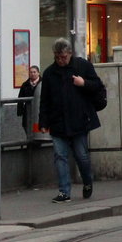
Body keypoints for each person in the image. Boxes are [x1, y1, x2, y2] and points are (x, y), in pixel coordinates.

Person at [38, 39, 102, 203]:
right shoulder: (49, 73)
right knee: (60, 156)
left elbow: (97, 85)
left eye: (63, 57)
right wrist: (43, 122)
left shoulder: (82, 66)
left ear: (70, 54)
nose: (60, 60)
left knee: (81, 156)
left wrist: (83, 83)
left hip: (79, 120)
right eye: (58, 57)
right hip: (58, 122)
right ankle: (64, 191)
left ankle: (87, 181)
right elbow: (45, 100)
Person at [17, 64, 41, 132]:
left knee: (37, 129)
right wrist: (20, 111)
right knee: (27, 126)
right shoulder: (25, 85)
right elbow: (20, 98)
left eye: (34, 72)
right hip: (28, 110)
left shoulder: (43, 83)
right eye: (31, 72)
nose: (32, 74)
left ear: (38, 73)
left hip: (40, 110)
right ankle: (29, 140)